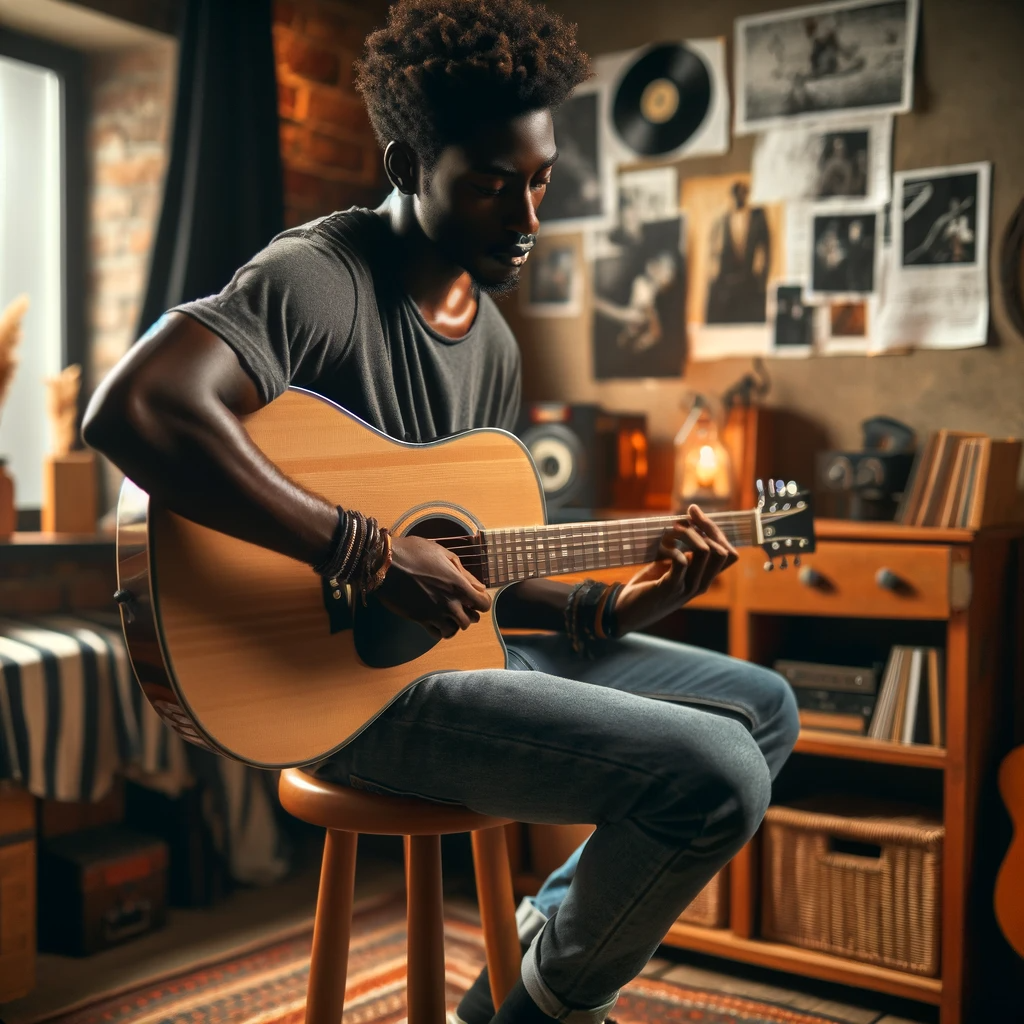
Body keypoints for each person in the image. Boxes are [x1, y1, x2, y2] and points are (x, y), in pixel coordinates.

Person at [83, 2, 798, 1022]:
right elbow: (138, 408)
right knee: (717, 772)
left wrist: (612, 611)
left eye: (541, 179)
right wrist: (366, 554)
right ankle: (534, 1011)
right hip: (339, 693)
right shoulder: (317, 279)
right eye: (492, 184)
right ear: (407, 162)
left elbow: (481, 579)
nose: (527, 217)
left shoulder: (494, 342)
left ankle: (544, 938)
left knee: (765, 709)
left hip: (456, 661)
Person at [705, 180, 770, 324]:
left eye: (742, 194)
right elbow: (714, 252)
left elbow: (765, 248)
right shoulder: (722, 219)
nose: (738, 198)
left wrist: (761, 277)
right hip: (727, 288)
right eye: (736, 194)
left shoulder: (757, 218)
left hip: (749, 286)